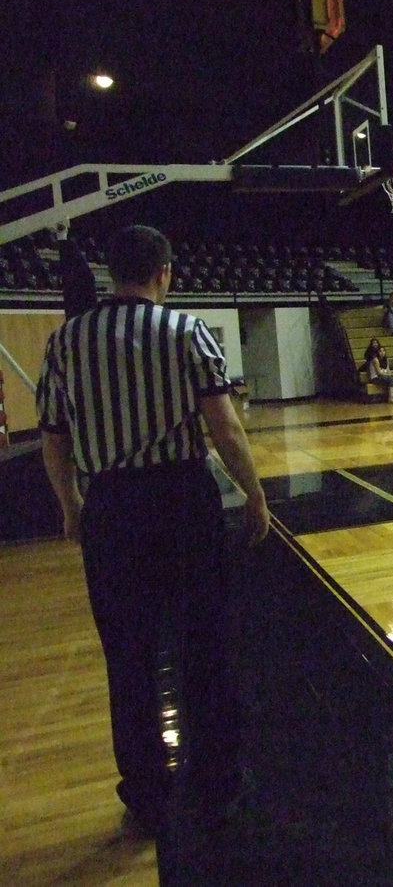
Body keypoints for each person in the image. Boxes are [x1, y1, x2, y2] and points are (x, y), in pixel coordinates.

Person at [36, 224, 270, 838]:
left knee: (129, 657)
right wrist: (254, 492)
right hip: (181, 500)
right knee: (206, 645)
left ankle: (145, 794)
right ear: (164, 272)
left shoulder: (66, 341)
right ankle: (218, 784)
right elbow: (225, 427)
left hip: (112, 508)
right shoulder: (185, 331)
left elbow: (54, 440)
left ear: (113, 273)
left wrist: (70, 506)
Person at [365, 337, 393, 403]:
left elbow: (388, 370)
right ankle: (391, 398)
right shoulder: (375, 360)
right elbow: (379, 372)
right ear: (378, 352)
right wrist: (389, 375)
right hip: (376, 377)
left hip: (384, 376)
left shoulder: (386, 360)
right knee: (390, 379)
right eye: (380, 351)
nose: (382, 352)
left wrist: (391, 374)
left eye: (383, 351)